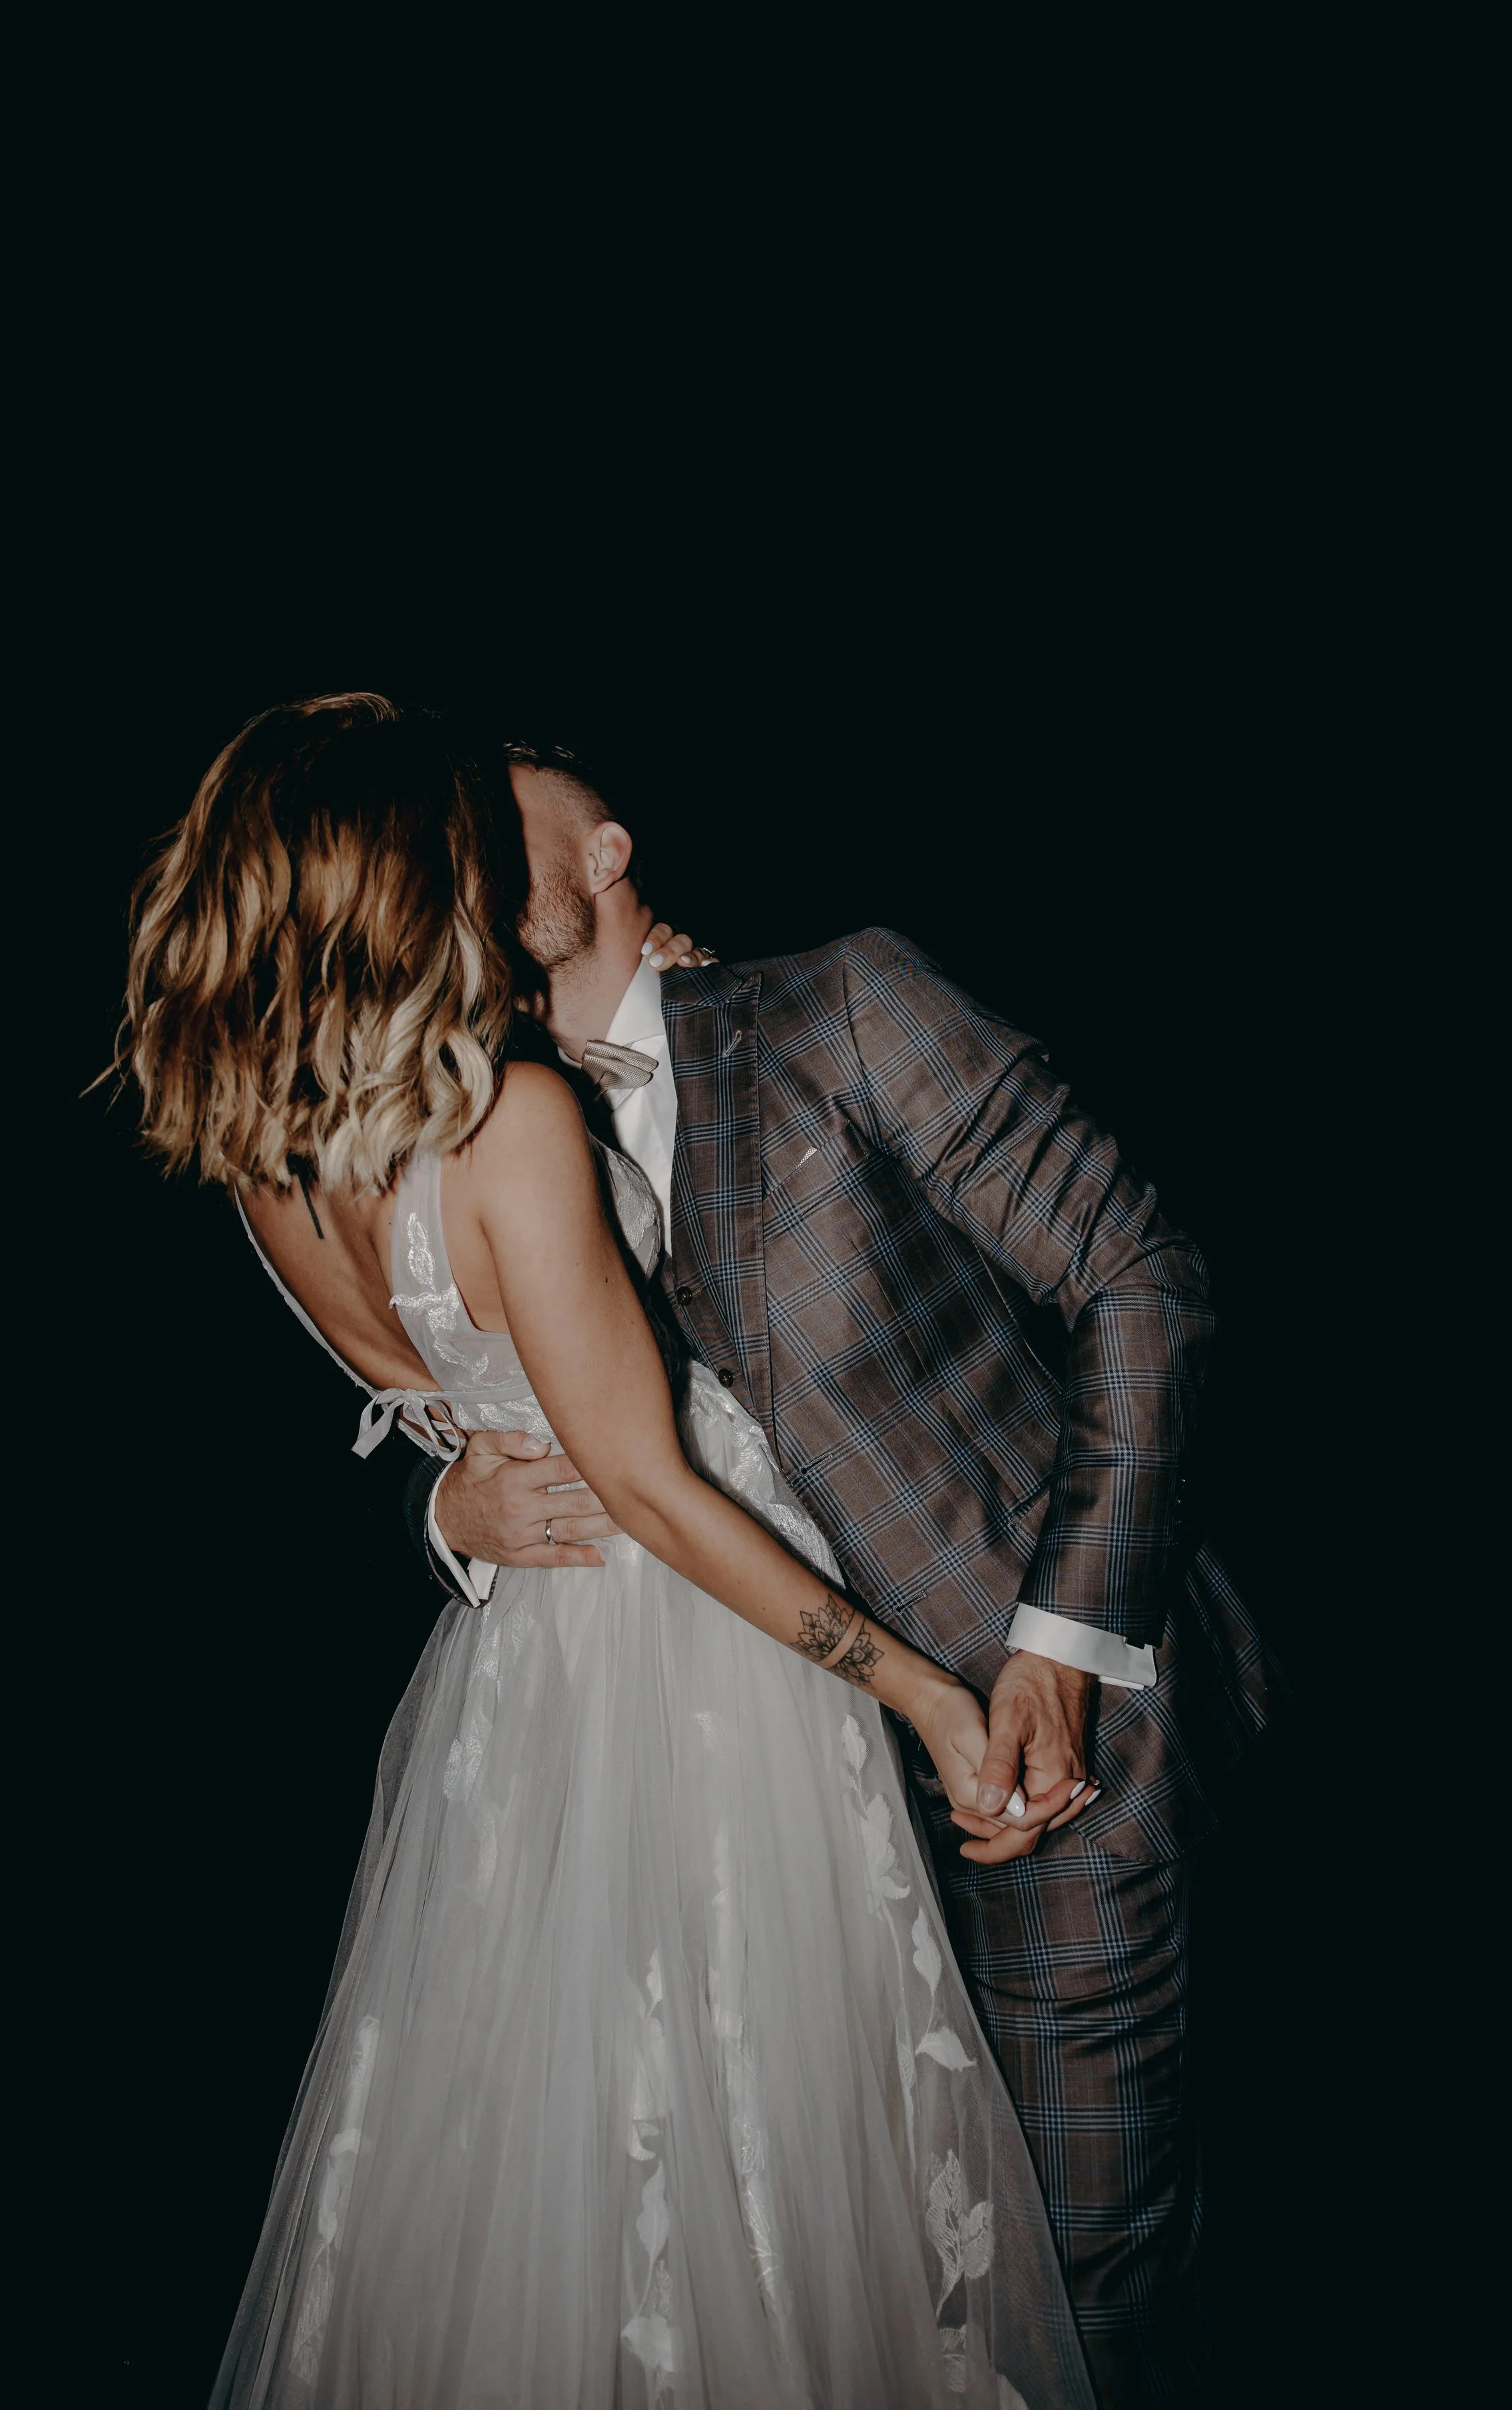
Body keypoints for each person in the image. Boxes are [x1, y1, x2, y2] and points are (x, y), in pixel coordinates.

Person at [121, 693, 1097, 2409]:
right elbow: (646, 1487)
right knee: (746, 2128)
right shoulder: (504, 1121)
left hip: (516, 1680)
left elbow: (463, 1396)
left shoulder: (268, 1165)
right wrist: (930, 1704)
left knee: (535, 2134)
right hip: (696, 1653)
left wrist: (454, 1496)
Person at [405, 739, 1282, 2406]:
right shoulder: (479, 1135)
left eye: (489, 823)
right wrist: (447, 1516)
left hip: (1041, 1771)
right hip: (756, 1859)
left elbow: (1142, 1281)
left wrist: (1058, 1641)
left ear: (606, 853)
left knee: (1074, 2309)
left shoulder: (837, 1007)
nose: (448, 852)